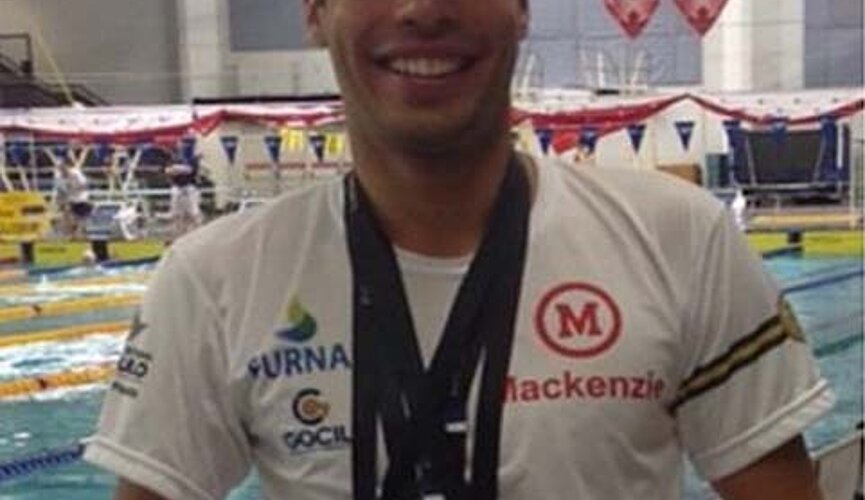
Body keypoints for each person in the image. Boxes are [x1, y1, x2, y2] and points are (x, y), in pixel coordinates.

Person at [84, 0, 833, 499]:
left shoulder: (681, 240)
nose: (422, 8)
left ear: (521, 8)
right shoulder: (214, 279)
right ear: (315, 10)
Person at [164, 153, 203, 238]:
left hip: (190, 189)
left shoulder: (192, 159)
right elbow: (167, 170)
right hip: (177, 189)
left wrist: (176, 169)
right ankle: (177, 235)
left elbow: (190, 170)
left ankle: (199, 232)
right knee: (176, 214)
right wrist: (178, 169)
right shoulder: (174, 159)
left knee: (193, 213)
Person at [53, 161, 92, 239]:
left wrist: (75, 187)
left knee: (80, 218)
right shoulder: (58, 177)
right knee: (66, 211)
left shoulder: (76, 173)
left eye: (63, 168)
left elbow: (86, 185)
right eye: (60, 169)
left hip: (81, 198)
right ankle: (70, 233)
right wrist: (58, 200)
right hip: (69, 200)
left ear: (67, 167)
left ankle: (77, 232)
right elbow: (58, 191)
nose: (62, 171)